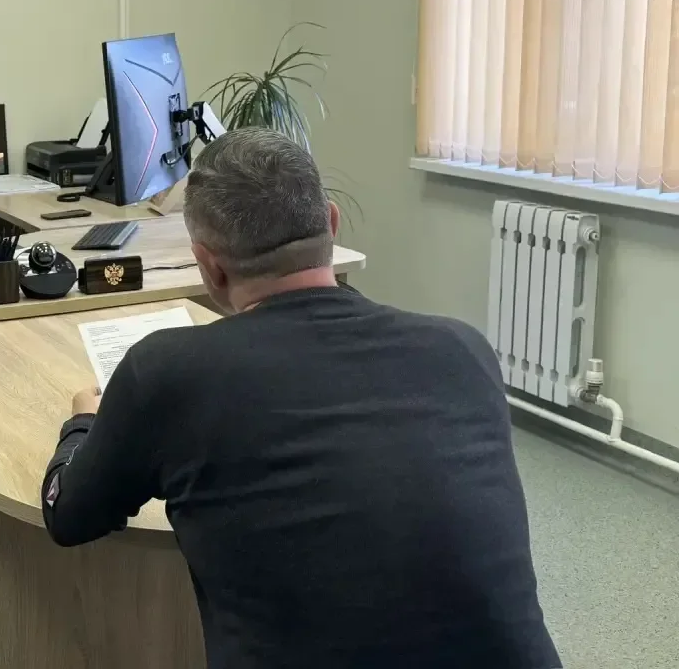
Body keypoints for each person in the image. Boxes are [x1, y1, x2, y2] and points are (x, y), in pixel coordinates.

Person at [40, 128, 560, 669]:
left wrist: (82, 424)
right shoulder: (463, 348)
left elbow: (68, 516)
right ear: (331, 224)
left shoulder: (165, 371)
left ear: (209, 264)